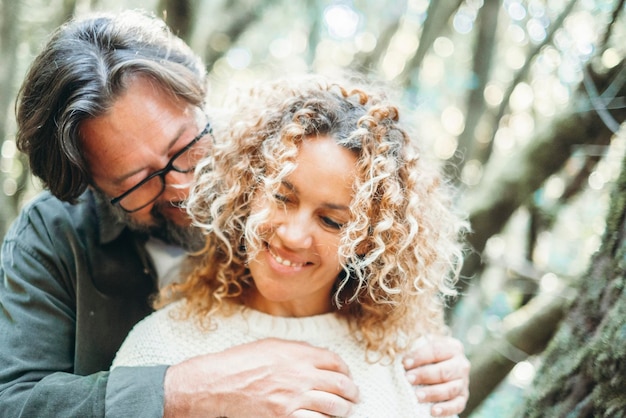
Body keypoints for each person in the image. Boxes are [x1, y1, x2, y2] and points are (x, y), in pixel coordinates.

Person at [0, 9, 469, 418]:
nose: (183, 185)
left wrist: (434, 358)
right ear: (93, 188)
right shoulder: (54, 235)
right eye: (137, 182)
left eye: (183, 146)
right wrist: (181, 392)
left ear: (200, 101)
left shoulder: (268, 161)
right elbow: (12, 403)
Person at [112, 74, 468, 417]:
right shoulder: (163, 346)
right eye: (283, 197)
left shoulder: (413, 367)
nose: (293, 236)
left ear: (369, 241)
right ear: (249, 190)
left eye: (332, 221)